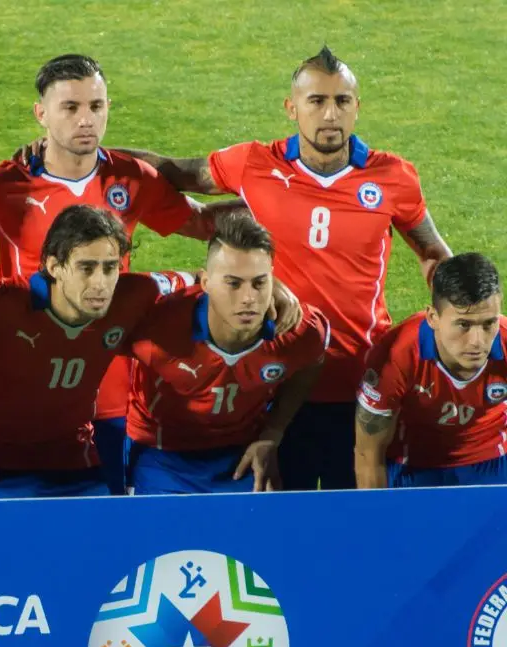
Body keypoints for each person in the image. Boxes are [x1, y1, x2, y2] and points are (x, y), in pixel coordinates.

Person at [120, 46, 452, 490]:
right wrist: (87, 155)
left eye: (342, 101)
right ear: (291, 107)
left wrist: (446, 337)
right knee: (278, 522)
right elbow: (174, 171)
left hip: (359, 381)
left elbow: (434, 254)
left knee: (351, 520)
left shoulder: (393, 177)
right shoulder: (255, 163)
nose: (330, 114)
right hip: (274, 384)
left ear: (357, 107)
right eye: (316, 101)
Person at [0, 53, 218, 495]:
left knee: (104, 534)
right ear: (41, 114)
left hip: (108, 384)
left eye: (96, 107)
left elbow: (199, 225)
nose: (87, 120)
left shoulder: (130, 177)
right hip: (24, 374)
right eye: (71, 108)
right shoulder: (5, 184)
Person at [0, 205, 191, 499]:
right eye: (86, 268)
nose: (100, 283)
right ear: (54, 266)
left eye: (110, 267)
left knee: (106, 541)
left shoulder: (133, 295)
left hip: (74, 462)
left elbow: (194, 279)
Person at [124, 213, 329, 494]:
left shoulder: (299, 332)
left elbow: (312, 361)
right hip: (161, 455)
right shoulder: (157, 326)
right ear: (205, 283)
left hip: (241, 454)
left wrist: (273, 433)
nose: (248, 298)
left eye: (259, 283)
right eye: (233, 283)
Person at [355, 253, 507, 489]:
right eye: (463, 324)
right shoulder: (396, 355)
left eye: (488, 323)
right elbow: (368, 453)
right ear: (433, 317)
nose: (478, 342)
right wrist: (378, 519)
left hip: (491, 460)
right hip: (414, 466)